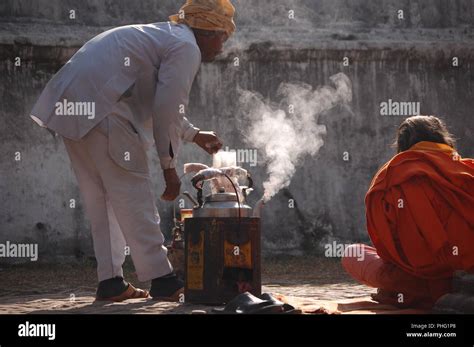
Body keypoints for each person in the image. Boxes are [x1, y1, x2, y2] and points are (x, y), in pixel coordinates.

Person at [29, 0, 236, 302]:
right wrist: (169, 168)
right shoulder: (186, 46)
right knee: (134, 193)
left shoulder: (166, 36)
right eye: (222, 36)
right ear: (206, 30)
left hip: (74, 109)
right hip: (105, 112)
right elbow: (166, 107)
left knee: (102, 201)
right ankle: (163, 280)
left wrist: (193, 135)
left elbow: (159, 100)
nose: (223, 45)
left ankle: (111, 283)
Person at [342, 115, 474, 308]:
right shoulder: (467, 170)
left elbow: (386, 251)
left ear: (402, 144)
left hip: (417, 283)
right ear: (442, 138)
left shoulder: (390, 175)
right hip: (468, 275)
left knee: (352, 253)